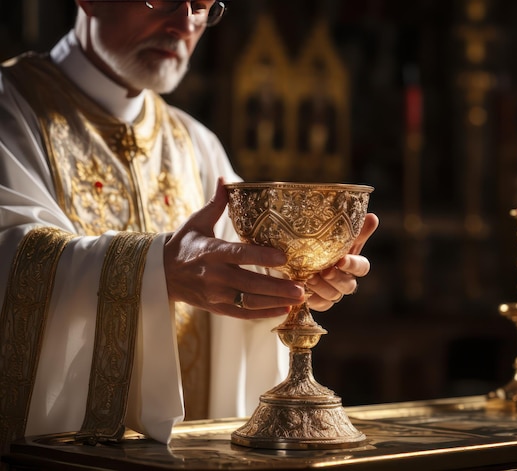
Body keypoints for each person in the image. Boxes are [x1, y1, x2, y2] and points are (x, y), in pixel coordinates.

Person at [0, 0, 379, 454]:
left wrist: (298, 280)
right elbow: (9, 253)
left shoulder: (196, 144)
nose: (185, 24)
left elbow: (250, 267)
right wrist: (153, 269)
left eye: (202, 6)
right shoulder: (10, 108)